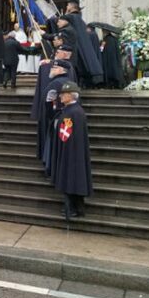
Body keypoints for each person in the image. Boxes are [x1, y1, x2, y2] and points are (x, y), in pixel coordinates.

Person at [50, 81, 93, 219]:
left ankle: (73, 208)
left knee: (72, 179)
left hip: (71, 152)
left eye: (63, 94)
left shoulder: (72, 112)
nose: (61, 96)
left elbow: (65, 135)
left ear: (71, 95)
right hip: (73, 151)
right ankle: (77, 208)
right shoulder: (74, 111)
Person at [41, 60, 74, 177]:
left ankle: (52, 169)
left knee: (54, 146)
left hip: (57, 119)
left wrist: (50, 115)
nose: (51, 70)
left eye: (54, 68)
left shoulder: (55, 84)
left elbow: (49, 103)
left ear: (60, 70)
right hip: (66, 119)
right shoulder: (69, 82)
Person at [63, 0, 104, 85]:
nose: (66, 7)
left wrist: (66, 12)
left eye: (68, 5)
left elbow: (63, 19)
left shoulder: (73, 17)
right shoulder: (78, 18)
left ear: (72, 7)